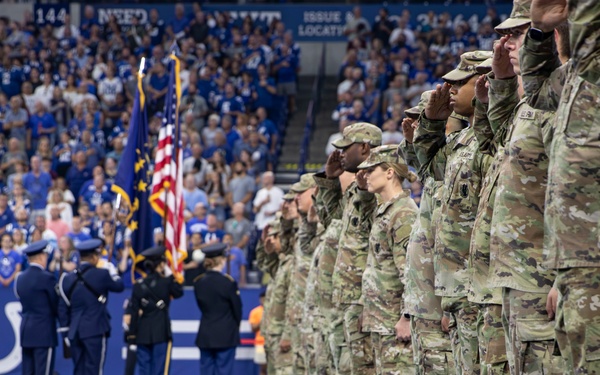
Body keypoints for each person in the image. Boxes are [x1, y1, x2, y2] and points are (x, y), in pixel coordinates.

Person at [314, 122, 382, 374]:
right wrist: (330, 182)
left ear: (364, 147)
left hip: (365, 297)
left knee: (363, 367)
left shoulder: (379, 185)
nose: (341, 153)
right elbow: (335, 221)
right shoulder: (356, 186)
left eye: (346, 147)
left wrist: (366, 302)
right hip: (348, 296)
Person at [57, 238, 125, 375]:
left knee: (79, 369)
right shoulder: (102, 274)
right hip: (95, 329)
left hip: (75, 331)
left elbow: (63, 307)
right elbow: (119, 286)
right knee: (94, 370)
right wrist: (113, 273)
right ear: (94, 257)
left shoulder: (67, 278)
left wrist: (66, 333)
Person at [127, 246, 184, 375]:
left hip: (142, 332)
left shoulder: (138, 285)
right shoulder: (166, 282)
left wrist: (132, 335)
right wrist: (170, 274)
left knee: (144, 369)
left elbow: (134, 311)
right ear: (162, 264)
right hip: (161, 331)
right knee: (160, 369)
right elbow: (179, 292)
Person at [193, 243, 242, 375]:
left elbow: (201, 305)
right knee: (224, 370)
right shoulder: (228, 282)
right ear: (221, 260)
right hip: (226, 333)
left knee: (206, 371)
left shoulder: (199, 282)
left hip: (206, 333)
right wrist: (234, 326)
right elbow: (237, 310)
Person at [14, 240, 58, 375]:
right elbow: (55, 303)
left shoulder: (20, 278)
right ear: (40, 257)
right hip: (44, 333)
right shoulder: (47, 278)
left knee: (28, 371)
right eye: (45, 256)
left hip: (26, 331)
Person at [249, 291, 267, 375]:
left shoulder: (275, 311)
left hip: (274, 342)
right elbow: (253, 328)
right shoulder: (255, 312)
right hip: (260, 343)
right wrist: (263, 320)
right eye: (262, 299)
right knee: (263, 368)